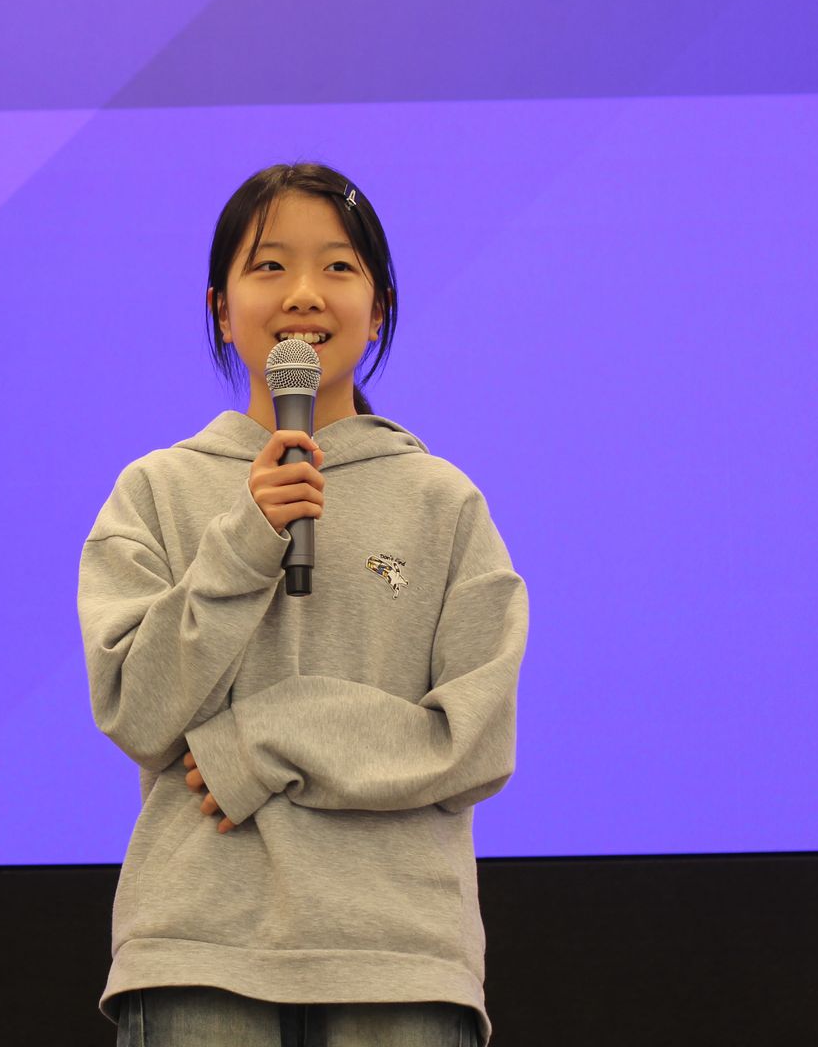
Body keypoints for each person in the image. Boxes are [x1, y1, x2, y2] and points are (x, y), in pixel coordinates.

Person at [79, 163, 526, 1047]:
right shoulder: (155, 491)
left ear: (380, 307)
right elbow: (134, 709)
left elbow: (475, 740)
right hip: (198, 947)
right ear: (221, 307)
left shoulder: (444, 503)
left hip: (400, 954)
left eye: (339, 267)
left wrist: (263, 739)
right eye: (270, 266)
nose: (304, 295)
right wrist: (244, 542)